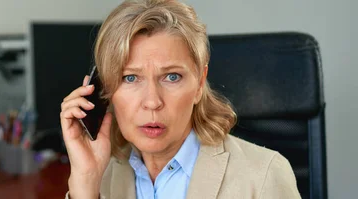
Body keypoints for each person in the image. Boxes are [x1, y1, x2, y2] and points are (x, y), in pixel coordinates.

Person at [59, 0, 301, 198]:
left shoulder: (263, 177)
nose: (152, 101)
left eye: (171, 76)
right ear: (106, 89)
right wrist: (86, 184)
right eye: (130, 78)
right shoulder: (100, 177)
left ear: (199, 83)